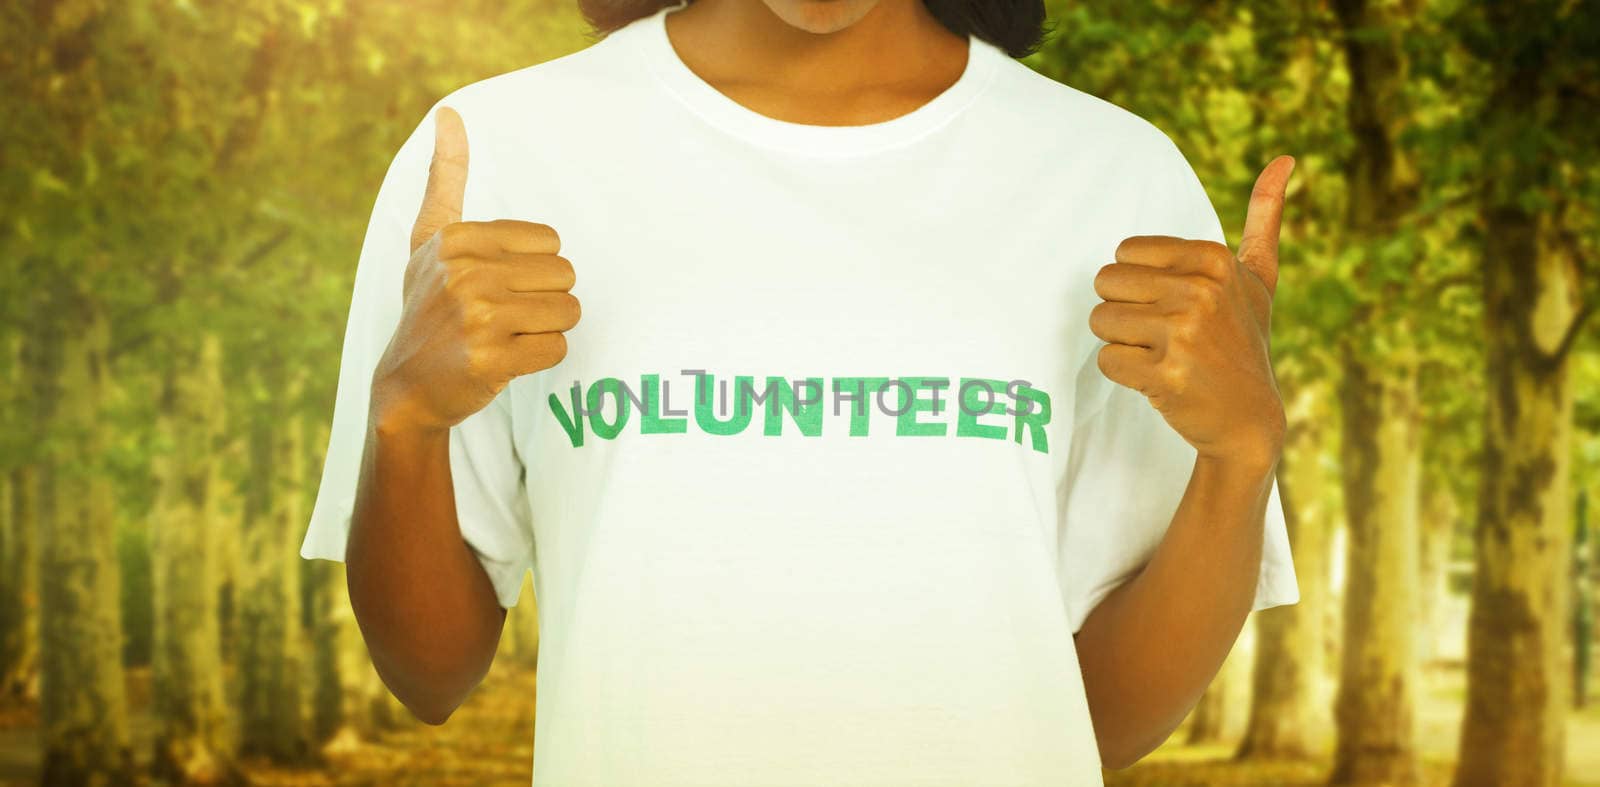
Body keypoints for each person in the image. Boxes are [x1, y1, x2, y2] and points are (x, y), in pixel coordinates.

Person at [299, 0, 1300, 783]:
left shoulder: (1109, 177)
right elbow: (429, 674)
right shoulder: (494, 153)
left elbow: (1108, 721)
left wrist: (1241, 454)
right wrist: (405, 418)